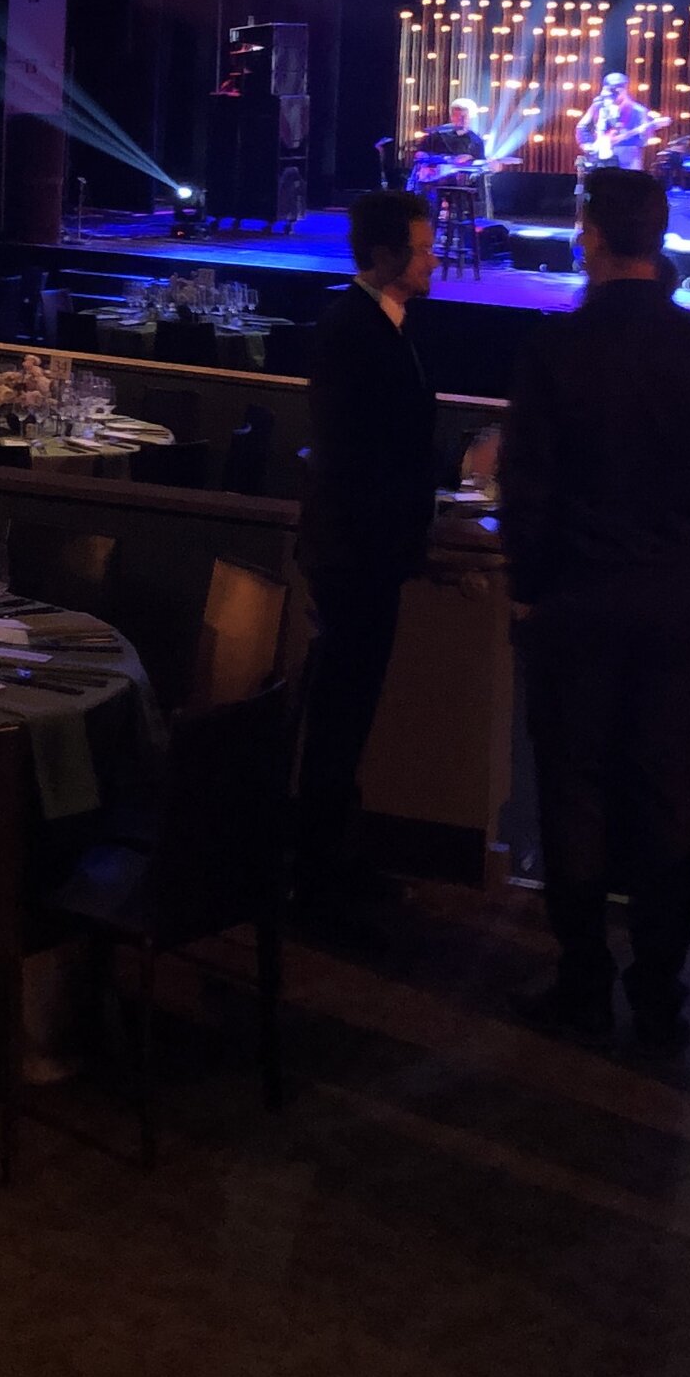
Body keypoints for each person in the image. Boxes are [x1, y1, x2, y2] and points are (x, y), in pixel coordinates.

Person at [501, 164, 690, 1047]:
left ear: (591, 234)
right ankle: (659, 990)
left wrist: (529, 588)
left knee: (573, 788)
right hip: (677, 600)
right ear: (661, 236)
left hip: (578, 598)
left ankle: (584, 978)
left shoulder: (554, 348)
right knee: (665, 794)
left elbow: (526, 489)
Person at [293, 188, 440, 934]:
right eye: (420, 247)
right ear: (383, 255)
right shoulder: (355, 329)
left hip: (362, 551)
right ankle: (319, 873)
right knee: (340, 712)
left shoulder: (376, 321)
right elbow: (362, 459)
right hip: (358, 556)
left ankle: (328, 859)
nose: (433, 256)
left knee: (348, 711)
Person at [574, 71, 663, 172]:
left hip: (628, 160)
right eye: (611, 88)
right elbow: (582, 126)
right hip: (601, 157)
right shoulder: (599, 105)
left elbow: (644, 140)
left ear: (625, 88)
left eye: (619, 87)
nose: (615, 91)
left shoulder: (638, 111)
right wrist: (586, 144)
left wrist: (640, 134)